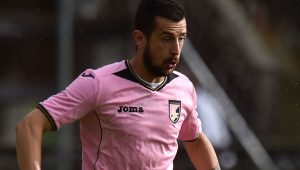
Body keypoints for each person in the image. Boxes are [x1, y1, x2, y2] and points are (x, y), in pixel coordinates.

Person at [16, 0, 220, 169]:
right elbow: (29, 126)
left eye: (181, 38)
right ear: (140, 38)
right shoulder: (98, 83)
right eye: (166, 38)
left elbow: (195, 140)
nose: (176, 49)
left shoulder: (183, 88)